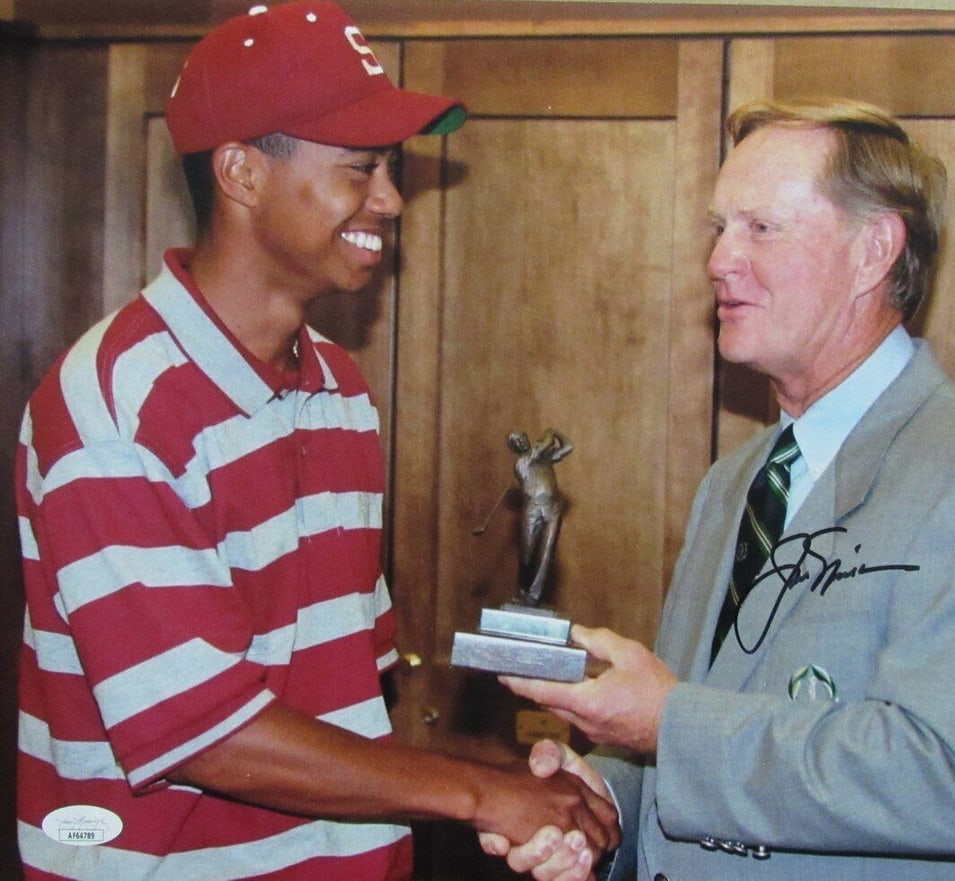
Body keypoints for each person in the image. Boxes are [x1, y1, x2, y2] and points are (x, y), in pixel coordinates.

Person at [14, 3, 617, 879]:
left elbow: (347, 696)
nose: (391, 200)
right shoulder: (114, 405)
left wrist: (512, 771)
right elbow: (202, 731)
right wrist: (481, 795)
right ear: (242, 172)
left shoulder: (340, 389)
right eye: (360, 169)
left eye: (390, 169)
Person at [481, 98, 955, 880]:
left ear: (874, 251)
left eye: (761, 227)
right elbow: (714, 721)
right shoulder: (736, 481)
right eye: (719, 227)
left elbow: (948, 779)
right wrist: (602, 806)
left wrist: (668, 724)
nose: (718, 260)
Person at [507, 428, 573, 606]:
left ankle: (534, 596)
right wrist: (549, 435)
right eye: (516, 442)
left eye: (522, 438)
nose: (521, 442)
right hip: (533, 509)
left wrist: (556, 432)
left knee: (547, 552)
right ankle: (523, 589)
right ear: (514, 448)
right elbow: (544, 445)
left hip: (553, 509)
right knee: (527, 555)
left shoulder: (545, 458)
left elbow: (568, 447)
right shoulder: (521, 464)